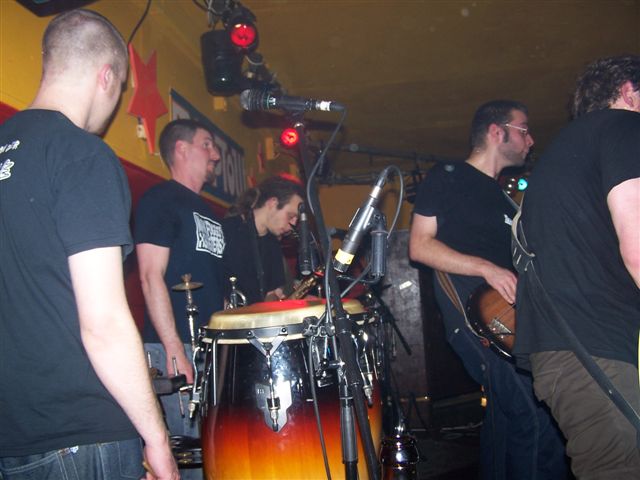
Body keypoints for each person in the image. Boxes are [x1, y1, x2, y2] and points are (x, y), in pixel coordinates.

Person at [0, 9, 178, 480]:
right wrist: (157, 438)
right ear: (106, 77)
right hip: (78, 433)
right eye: (120, 89)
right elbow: (103, 322)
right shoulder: (82, 154)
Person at [409, 100, 567, 479]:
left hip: (514, 321)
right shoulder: (448, 176)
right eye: (524, 130)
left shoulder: (505, 200)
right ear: (497, 132)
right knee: (534, 416)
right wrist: (486, 268)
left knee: (508, 419)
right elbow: (419, 245)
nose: (531, 140)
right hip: (476, 315)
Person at [513, 55, 640, 478]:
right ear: (628, 91)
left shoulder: (567, 151)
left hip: (569, 349)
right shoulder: (625, 127)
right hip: (596, 348)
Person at [135, 118, 225, 479]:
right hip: (175, 347)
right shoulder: (161, 200)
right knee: (189, 456)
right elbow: (149, 274)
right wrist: (173, 348)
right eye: (207, 144)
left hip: (208, 347)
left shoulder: (208, 210)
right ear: (181, 149)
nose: (215, 154)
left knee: (213, 450)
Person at [221, 175, 305, 304]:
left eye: (296, 219)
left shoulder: (273, 244)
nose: (293, 224)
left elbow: (271, 293)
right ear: (272, 203)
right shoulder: (227, 230)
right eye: (290, 216)